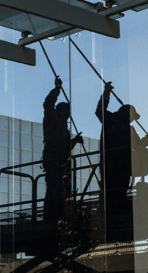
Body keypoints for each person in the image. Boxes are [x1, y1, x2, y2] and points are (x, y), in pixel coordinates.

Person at [95, 83, 148, 209]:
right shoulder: (110, 120)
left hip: (118, 167)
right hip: (114, 166)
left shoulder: (125, 127)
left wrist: (147, 139)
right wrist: (106, 93)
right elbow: (99, 111)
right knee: (113, 193)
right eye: (132, 118)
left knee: (116, 193)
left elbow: (138, 145)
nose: (132, 121)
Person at [42, 76, 83, 220]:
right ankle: (51, 215)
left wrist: (75, 141)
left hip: (59, 158)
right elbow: (48, 104)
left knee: (59, 188)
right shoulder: (52, 119)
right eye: (67, 111)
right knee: (54, 187)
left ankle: (57, 214)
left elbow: (65, 147)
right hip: (54, 158)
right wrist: (57, 89)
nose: (68, 115)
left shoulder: (63, 127)